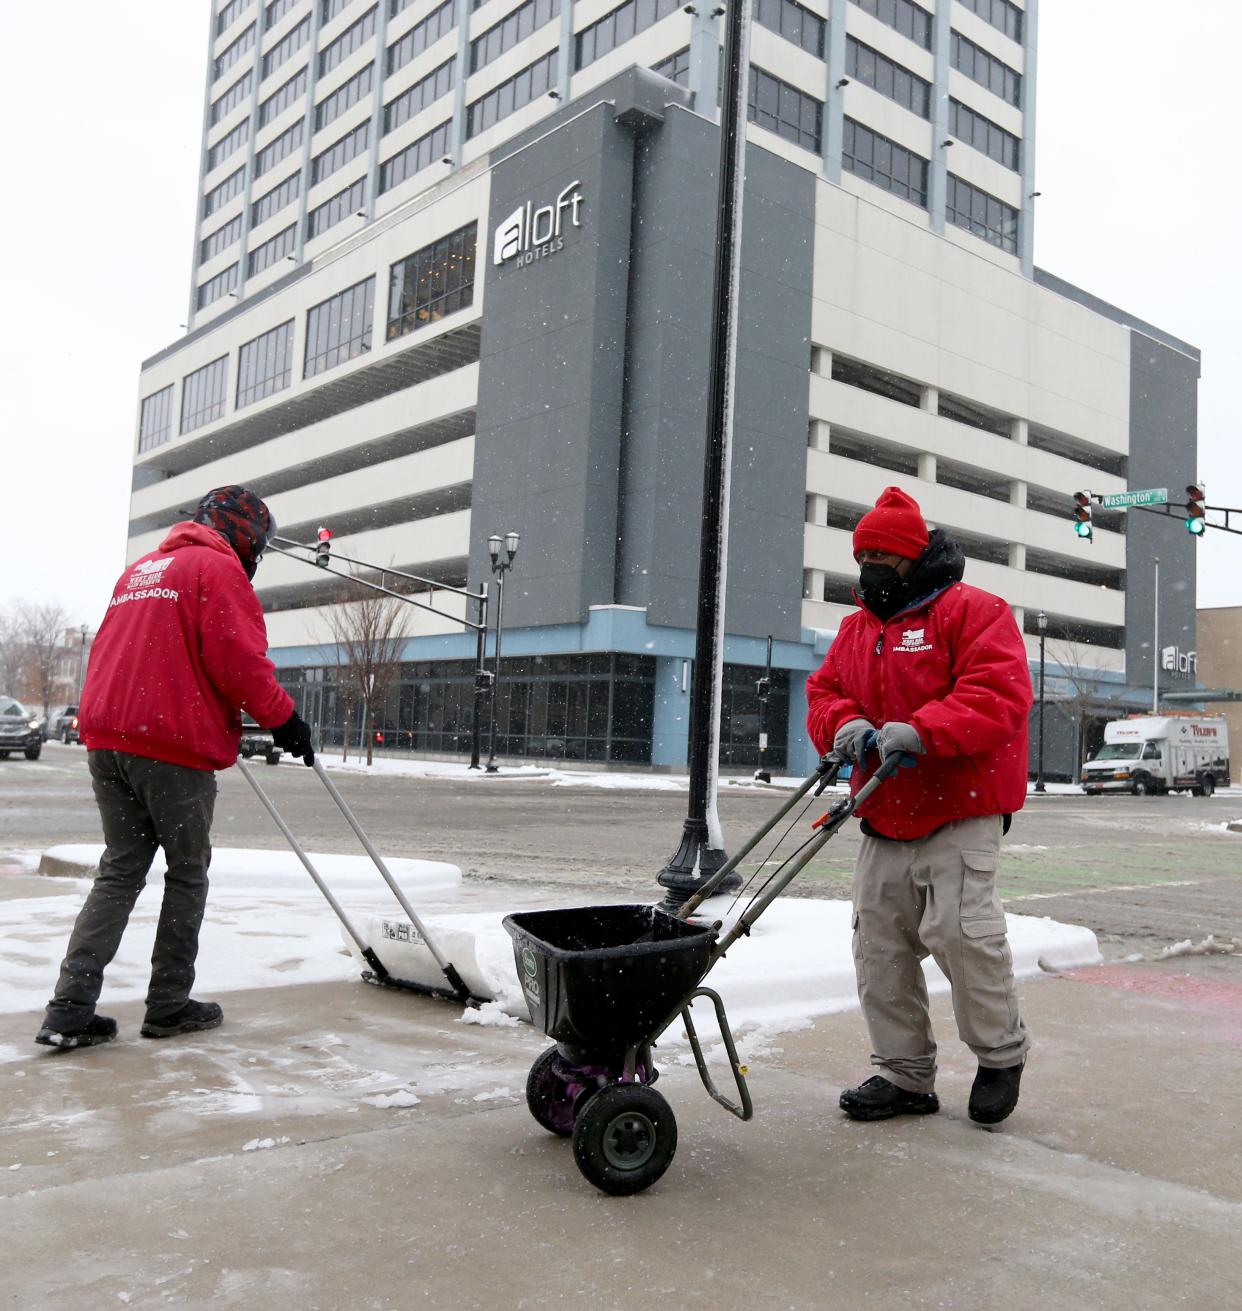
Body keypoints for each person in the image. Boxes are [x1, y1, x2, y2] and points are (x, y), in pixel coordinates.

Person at [36, 487, 316, 1049]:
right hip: (169, 744)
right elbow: (237, 660)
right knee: (186, 872)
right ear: (246, 536)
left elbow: (125, 652)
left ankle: (68, 1009)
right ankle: (168, 1004)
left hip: (108, 739)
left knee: (119, 871)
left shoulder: (142, 570)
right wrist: (285, 719)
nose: (254, 558)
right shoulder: (216, 569)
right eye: (257, 547)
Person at [806, 486, 1033, 1126]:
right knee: (880, 947)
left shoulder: (973, 612)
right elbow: (823, 691)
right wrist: (842, 722)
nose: (871, 564)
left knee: (965, 938)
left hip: (960, 809)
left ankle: (999, 1055)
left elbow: (999, 694)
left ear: (914, 556)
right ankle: (904, 1076)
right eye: (863, 552)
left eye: (883, 553)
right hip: (883, 810)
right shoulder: (855, 629)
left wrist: (924, 730)